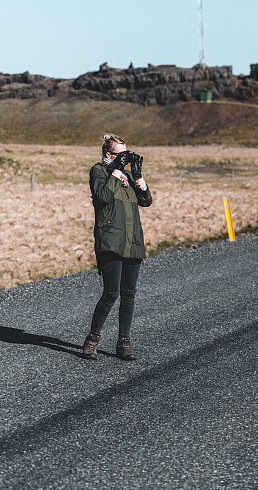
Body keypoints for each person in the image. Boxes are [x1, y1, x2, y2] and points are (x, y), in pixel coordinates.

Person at [83, 133, 152, 360]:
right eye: (120, 154)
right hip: (111, 240)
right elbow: (102, 196)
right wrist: (115, 172)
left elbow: (146, 201)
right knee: (111, 293)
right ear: (108, 154)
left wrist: (138, 176)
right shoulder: (99, 171)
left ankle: (124, 343)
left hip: (132, 240)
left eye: (126, 154)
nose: (124, 158)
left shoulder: (126, 177)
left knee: (129, 294)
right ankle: (92, 339)